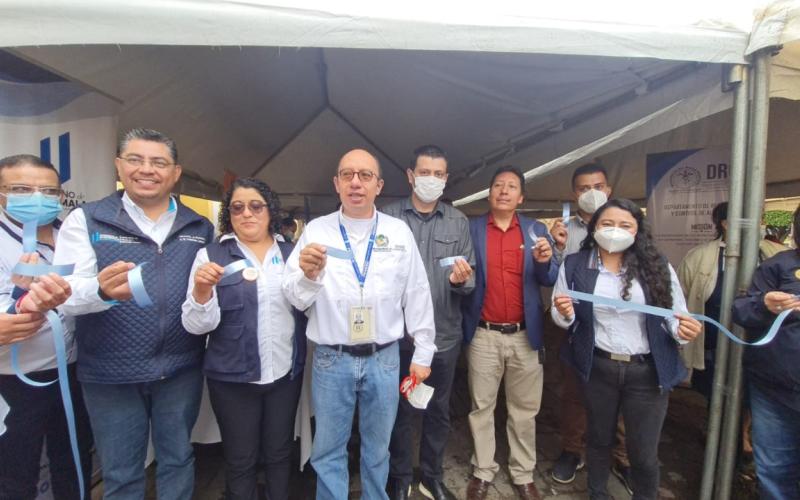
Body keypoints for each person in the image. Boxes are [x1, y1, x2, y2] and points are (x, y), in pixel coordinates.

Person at [53, 128, 215, 499]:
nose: (147, 170)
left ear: (175, 173)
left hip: (180, 368)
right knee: (122, 474)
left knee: (177, 459)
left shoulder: (198, 227)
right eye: (136, 160)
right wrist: (100, 289)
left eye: (159, 163)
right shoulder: (88, 219)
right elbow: (66, 296)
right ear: (119, 166)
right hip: (111, 374)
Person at [282, 149, 436, 500]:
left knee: (378, 449)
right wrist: (308, 276)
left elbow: (417, 292)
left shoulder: (398, 232)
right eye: (347, 174)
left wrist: (424, 350)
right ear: (336, 184)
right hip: (331, 358)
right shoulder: (316, 232)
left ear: (378, 185)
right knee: (328, 450)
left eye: (365, 175)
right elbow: (294, 297)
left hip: (385, 358)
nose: (356, 182)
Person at [551, 198, 701, 500]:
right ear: (594, 228)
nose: (615, 231)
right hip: (598, 367)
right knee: (598, 439)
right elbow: (561, 314)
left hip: (646, 372)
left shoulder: (656, 265)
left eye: (624, 225)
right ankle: (597, 493)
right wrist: (565, 313)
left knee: (643, 452)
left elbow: (674, 315)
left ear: (637, 231)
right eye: (607, 224)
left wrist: (682, 330)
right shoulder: (576, 265)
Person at [181, 178, 305, 500]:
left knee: (279, 455)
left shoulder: (292, 254)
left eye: (255, 206)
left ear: (270, 211)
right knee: (240, 460)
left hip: (283, 376)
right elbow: (196, 326)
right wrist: (202, 291)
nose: (246, 213)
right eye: (237, 207)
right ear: (229, 213)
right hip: (232, 380)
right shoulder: (210, 255)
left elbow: (306, 304)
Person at [382, 145, 475, 500]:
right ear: (410, 175)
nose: (431, 180)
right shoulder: (387, 219)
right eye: (425, 173)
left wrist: (460, 280)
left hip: (444, 336)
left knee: (438, 410)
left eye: (438, 174)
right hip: (399, 335)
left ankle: (431, 476)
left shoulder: (457, 221)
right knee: (400, 410)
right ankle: (400, 476)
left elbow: (471, 280)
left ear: (446, 178)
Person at [461, 165, 557, 500]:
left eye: (511, 186)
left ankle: (523, 473)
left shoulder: (535, 230)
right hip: (484, 333)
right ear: (489, 193)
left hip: (525, 335)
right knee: (481, 406)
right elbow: (462, 278)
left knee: (524, 410)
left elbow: (549, 278)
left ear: (521, 197)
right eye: (498, 185)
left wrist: (546, 260)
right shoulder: (471, 229)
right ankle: (483, 470)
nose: (503, 190)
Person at [0, 154, 93, 499]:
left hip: (75, 370)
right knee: (15, 470)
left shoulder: (74, 232)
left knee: (73, 459)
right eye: (22, 189)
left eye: (48, 191)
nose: (38, 198)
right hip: (15, 379)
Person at [548, 163, 632, 490]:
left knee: (623, 395)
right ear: (574, 194)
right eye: (584, 188)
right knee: (575, 392)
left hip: (621, 329)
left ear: (609, 190)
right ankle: (573, 449)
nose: (592, 193)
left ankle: (622, 457)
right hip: (576, 326)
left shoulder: (629, 229)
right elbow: (552, 279)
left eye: (598, 185)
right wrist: (555, 248)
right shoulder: (565, 232)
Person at [732, 206, 800, 500]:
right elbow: (741, 309)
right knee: (774, 469)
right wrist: (765, 305)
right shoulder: (779, 265)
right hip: (775, 390)